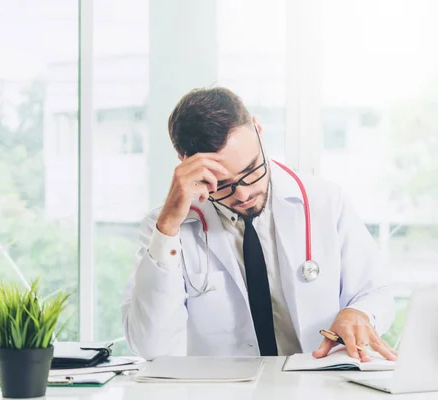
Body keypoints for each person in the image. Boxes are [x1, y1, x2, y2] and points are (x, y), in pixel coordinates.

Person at [121, 87, 397, 362]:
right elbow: (150, 347)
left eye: (251, 171)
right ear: (185, 164)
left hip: (315, 385)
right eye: (222, 184)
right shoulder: (166, 229)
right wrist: (168, 226)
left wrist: (358, 313)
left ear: (258, 130)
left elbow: (376, 293)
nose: (242, 194)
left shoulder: (324, 201)